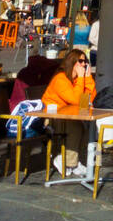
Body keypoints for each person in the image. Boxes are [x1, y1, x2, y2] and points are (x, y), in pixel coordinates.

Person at [41, 48, 96, 177]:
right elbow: (76, 100)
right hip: (50, 117)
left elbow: (88, 100)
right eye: (81, 61)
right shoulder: (60, 79)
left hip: (68, 116)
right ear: (72, 62)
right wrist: (83, 78)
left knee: (88, 128)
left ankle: (77, 161)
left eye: (85, 61)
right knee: (76, 127)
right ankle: (68, 162)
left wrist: (87, 79)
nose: (84, 64)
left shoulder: (77, 80)